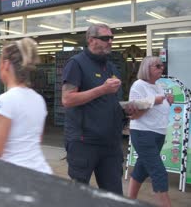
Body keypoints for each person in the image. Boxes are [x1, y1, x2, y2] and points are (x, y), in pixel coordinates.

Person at [62, 24, 124, 195]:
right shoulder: (76, 63)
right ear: (91, 40)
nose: (110, 42)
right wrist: (101, 90)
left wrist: (128, 110)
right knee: (79, 195)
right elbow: (67, 99)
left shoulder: (111, 67)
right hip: (84, 143)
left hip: (110, 144)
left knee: (114, 196)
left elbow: (111, 102)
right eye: (105, 38)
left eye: (112, 38)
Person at [0, 38, 52, 174]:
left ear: (6, 65)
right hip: (41, 171)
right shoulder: (38, 99)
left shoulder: (5, 101)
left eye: (0, 63)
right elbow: (35, 139)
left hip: (15, 174)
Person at [126, 56, 172, 207]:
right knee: (159, 172)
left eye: (162, 65)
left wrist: (167, 103)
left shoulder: (158, 86)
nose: (161, 68)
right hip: (143, 132)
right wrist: (154, 101)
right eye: (157, 66)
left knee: (142, 168)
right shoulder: (138, 85)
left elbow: (159, 109)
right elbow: (134, 113)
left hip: (158, 133)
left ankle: (128, 201)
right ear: (147, 68)